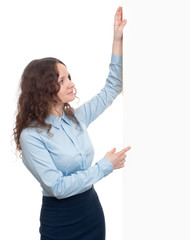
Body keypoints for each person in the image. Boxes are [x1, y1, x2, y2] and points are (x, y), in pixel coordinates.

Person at [13, 6, 129, 240]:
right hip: (61, 221)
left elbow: (113, 87)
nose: (71, 84)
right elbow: (57, 187)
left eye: (70, 77)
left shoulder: (77, 117)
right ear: (45, 88)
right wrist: (105, 166)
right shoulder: (31, 136)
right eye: (62, 80)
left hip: (91, 212)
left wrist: (117, 40)